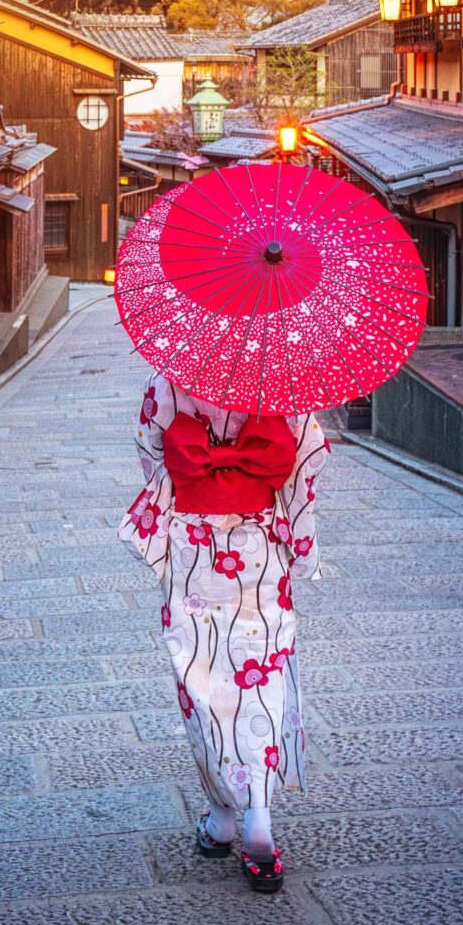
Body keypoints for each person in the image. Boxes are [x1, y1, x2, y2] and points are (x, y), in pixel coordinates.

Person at [120, 368, 328, 892]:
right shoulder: (283, 379)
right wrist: (300, 543)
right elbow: (306, 460)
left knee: (203, 682)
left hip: (192, 548)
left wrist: (204, 470)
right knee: (262, 675)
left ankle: (222, 818)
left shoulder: (168, 379)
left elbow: (152, 453)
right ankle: (258, 815)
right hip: (260, 548)